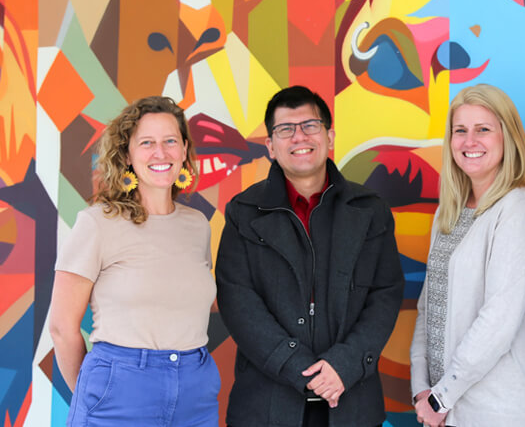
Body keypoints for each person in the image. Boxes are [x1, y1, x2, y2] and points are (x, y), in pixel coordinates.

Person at [215, 85, 405, 427]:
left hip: (352, 402)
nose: (299, 136)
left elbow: (385, 295)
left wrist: (343, 365)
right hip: (266, 407)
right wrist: (298, 367)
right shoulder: (244, 212)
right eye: (286, 129)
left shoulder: (369, 211)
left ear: (329, 137)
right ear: (270, 146)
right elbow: (238, 302)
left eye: (310, 126)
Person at [49, 96, 219, 426]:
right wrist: (95, 394)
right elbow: (61, 328)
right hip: (120, 390)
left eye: (170, 141)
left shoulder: (197, 224)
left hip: (195, 392)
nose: (161, 153)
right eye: (147, 143)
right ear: (127, 155)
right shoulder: (97, 223)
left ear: (184, 149)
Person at [410, 84, 525, 426]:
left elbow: (498, 320)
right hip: (446, 409)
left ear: (508, 138)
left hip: (503, 410)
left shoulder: (518, 207)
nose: (469, 141)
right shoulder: (448, 212)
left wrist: (441, 397)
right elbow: (428, 307)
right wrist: (422, 388)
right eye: (460, 130)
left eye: (483, 130)